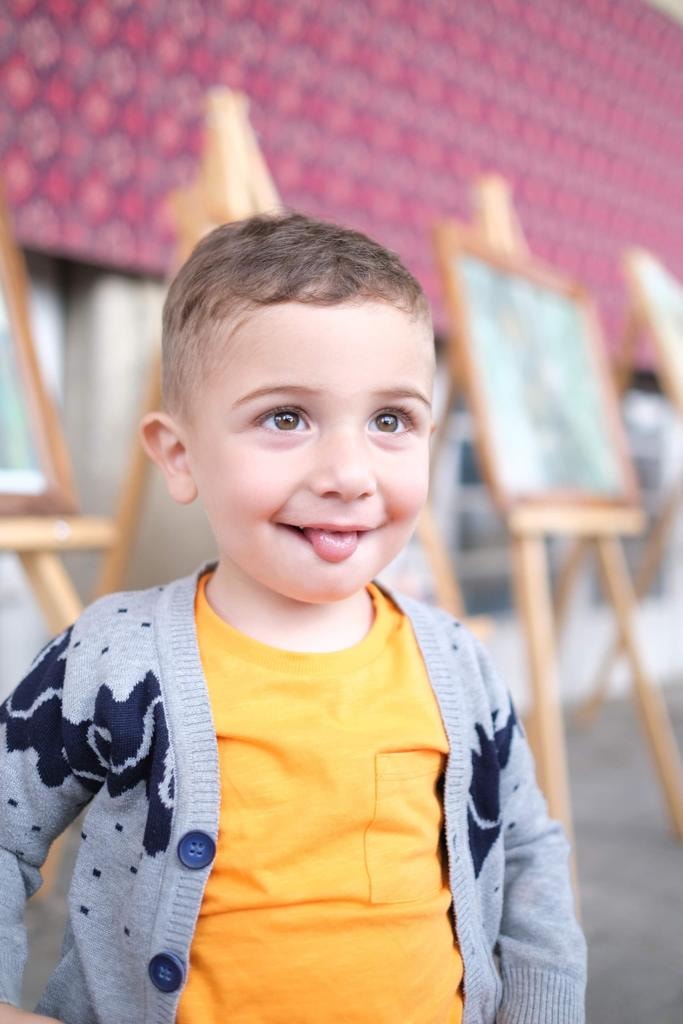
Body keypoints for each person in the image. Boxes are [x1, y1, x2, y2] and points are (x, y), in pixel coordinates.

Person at [0, 212, 586, 1024]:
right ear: (180, 456)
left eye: (390, 420)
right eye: (286, 417)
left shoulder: (456, 663)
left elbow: (523, 850)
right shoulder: (111, 659)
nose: (348, 473)